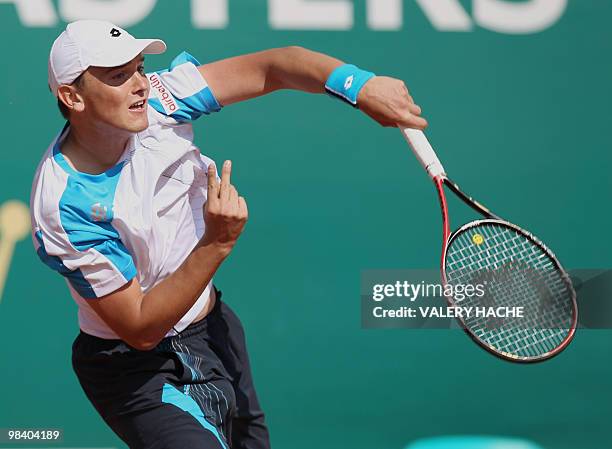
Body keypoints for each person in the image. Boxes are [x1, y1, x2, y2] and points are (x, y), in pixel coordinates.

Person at [30, 20, 427, 449]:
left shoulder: (162, 101)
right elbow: (140, 327)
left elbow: (275, 66)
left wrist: (360, 86)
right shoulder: (64, 204)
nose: (140, 85)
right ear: (73, 97)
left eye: (140, 68)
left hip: (215, 331)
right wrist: (217, 241)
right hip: (135, 372)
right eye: (118, 76)